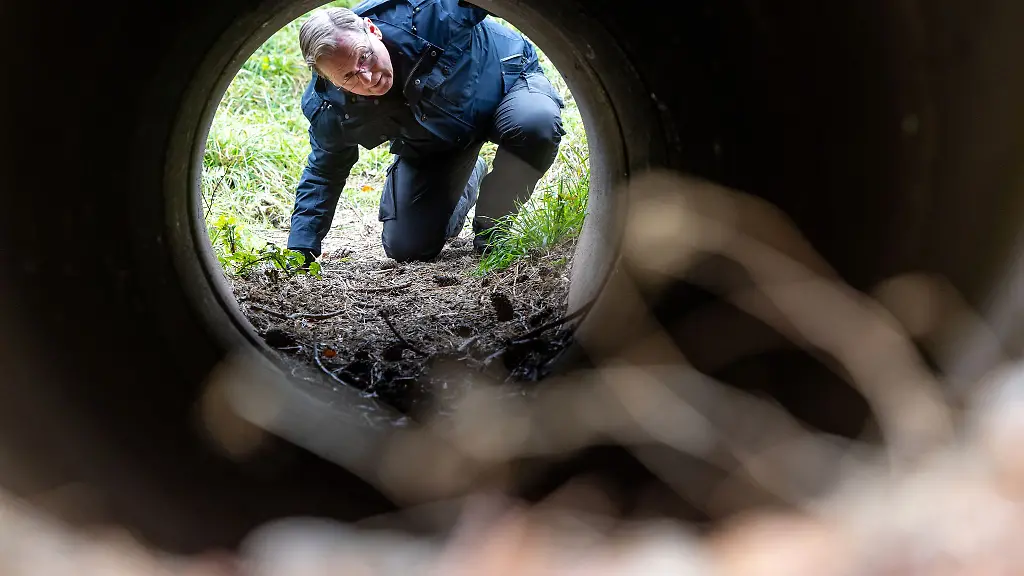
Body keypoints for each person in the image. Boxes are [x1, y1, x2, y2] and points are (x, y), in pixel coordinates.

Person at [286, 0, 565, 265]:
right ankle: (468, 175)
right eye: (348, 77)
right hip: (439, 142)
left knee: (536, 123)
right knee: (408, 248)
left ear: (372, 29)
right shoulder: (331, 107)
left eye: (364, 57)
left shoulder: (426, 11)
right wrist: (301, 248)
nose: (367, 78)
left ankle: (492, 227)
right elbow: (324, 171)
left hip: (506, 84)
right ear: (330, 81)